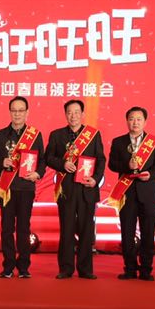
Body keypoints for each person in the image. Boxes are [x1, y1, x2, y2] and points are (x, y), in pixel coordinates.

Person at [45, 99, 106, 279]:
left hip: (87, 188)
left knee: (86, 230)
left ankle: (86, 269)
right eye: (70, 112)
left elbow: (101, 160)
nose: (73, 116)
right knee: (67, 230)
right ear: (65, 114)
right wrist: (63, 164)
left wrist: (95, 179)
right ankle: (66, 268)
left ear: (82, 114)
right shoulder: (57, 135)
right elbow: (48, 158)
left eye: (77, 112)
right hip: (66, 189)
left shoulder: (93, 135)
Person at [0, 97, 45, 279]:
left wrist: (37, 174)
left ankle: (23, 267)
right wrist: (1, 162)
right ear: (10, 112)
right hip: (7, 189)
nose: (17, 114)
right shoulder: (0, 135)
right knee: (6, 228)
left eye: (21, 110)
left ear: (27, 112)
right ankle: (8, 266)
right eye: (14, 110)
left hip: (26, 188)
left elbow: (42, 160)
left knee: (23, 228)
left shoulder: (35, 135)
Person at [107, 106, 155, 281]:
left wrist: (151, 174)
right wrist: (127, 166)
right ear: (127, 121)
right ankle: (130, 269)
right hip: (127, 194)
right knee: (127, 233)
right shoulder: (119, 142)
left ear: (145, 122)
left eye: (139, 119)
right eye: (132, 119)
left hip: (148, 193)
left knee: (148, 233)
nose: (135, 122)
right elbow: (112, 164)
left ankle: (146, 270)